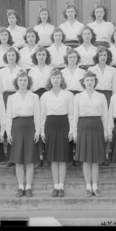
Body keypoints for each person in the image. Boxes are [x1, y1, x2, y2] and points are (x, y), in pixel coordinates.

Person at [73, 70, 108, 197]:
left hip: (97, 126)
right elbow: (75, 116)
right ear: (83, 82)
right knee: (86, 160)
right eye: (87, 80)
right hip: (83, 126)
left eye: (92, 80)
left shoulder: (101, 96)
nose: (89, 82)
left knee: (95, 160)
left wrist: (106, 132)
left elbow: (105, 116)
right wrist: (75, 133)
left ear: (95, 82)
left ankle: (95, 186)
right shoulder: (78, 97)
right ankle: (88, 187)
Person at [6, 69, 41, 197]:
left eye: (25, 80)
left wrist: (38, 131)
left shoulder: (34, 96)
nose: (23, 82)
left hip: (30, 126)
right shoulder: (11, 97)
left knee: (30, 160)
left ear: (28, 82)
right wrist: (8, 132)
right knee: (19, 160)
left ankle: (29, 187)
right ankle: (20, 187)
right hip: (17, 126)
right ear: (17, 82)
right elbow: (8, 115)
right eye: (20, 80)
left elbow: (37, 115)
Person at [40, 68, 74, 197]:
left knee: (63, 158)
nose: (55, 80)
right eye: (53, 78)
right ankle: (56, 186)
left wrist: (71, 131)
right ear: (50, 80)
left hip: (64, 124)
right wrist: (43, 132)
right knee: (54, 158)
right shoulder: (45, 96)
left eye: (58, 77)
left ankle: (62, 186)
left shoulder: (68, 95)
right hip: (50, 124)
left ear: (62, 80)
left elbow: (71, 114)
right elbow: (42, 115)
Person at [88, 46, 116, 166]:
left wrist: (115, 100)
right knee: (98, 124)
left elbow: (115, 87)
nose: (103, 57)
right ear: (97, 57)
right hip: (97, 96)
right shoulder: (91, 69)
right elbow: (88, 84)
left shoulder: (113, 70)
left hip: (109, 96)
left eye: (105, 55)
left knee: (108, 123)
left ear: (108, 57)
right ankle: (97, 154)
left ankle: (105, 154)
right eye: (101, 55)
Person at [0, 47, 24, 167]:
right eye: (9, 55)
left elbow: (25, 84)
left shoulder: (21, 70)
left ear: (16, 57)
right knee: (8, 124)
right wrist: (0, 102)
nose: (11, 57)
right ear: (6, 57)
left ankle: (19, 154)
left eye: (13, 55)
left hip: (18, 96)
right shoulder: (2, 71)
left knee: (17, 125)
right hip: (6, 96)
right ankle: (10, 156)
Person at [28, 46, 52, 167]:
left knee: (47, 123)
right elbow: (30, 87)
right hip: (36, 95)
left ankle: (47, 155)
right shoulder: (31, 71)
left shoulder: (51, 70)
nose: (41, 56)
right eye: (39, 54)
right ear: (35, 57)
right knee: (37, 122)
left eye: (43, 54)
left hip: (47, 95)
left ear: (46, 56)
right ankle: (38, 155)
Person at [61, 47, 85, 167]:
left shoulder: (82, 72)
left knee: (78, 124)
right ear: (66, 59)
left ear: (77, 59)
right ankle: (69, 156)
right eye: (70, 57)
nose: (72, 59)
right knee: (69, 124)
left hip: (79, 96)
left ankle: (79, 156)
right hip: (66, 96)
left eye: (74, 57)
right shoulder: (62, 72)